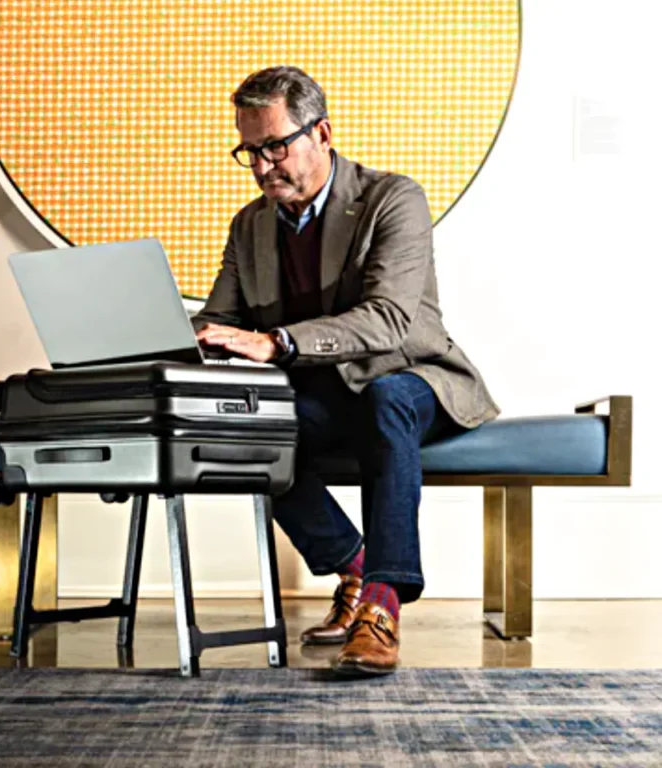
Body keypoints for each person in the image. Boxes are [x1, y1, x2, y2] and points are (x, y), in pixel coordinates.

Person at [192, 66, 500, 676]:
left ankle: (381, 607)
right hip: (326, 394)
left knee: (386, 398)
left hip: (415, 379)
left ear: (322, 132)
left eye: (275, 146)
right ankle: (354, 567)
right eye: (248, 151)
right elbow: (222, 320)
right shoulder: (250, 225)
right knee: (249, 433)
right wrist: (190, 342)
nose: (260, 166)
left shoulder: (392, 199)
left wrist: (274, 342)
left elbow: (386, 321)